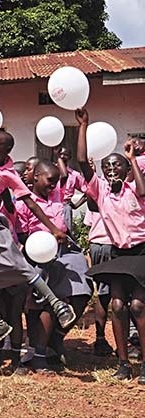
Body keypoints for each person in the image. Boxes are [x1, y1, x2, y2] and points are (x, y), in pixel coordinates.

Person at [0, 71, 74, 351]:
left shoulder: (8, 174)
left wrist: (54, 228)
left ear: (8, 150)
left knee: (17, 266)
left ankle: (56, 304)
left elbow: (31, 202)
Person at [76, 108, 145, 383]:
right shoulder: (101, 190)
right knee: (117, 305)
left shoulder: (134, 188)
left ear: (128, 170)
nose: (112, 170)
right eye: (108, 167)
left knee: (138, 306)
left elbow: (142, 190)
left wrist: (132, 160)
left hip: (141, 252)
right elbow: (82, 161)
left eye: (117, 166)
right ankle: (123, 363)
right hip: (118, 254)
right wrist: (83, 126)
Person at [15, 160, 91, 373]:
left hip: (64, 253)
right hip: (37, 256)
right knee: (44, 303)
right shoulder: (23, 203)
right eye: (50, 180)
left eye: (56, 181)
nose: (53, 185)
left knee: (83, 290)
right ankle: (38, 355)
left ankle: (56, 337)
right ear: (36, 177)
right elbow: (22, 236)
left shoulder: (58, 197)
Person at [84, 206, 114, 356]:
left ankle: (100, 339)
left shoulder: (96, 191)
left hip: (96, 244)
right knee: (120, 294)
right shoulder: (125, 192)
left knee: (103, 293)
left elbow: (89, 221)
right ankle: (129, 342)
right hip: (115, 244)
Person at [55, 147, 87, 231]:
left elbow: (88, 191)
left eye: (65, 154)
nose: (62, 156)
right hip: (51, 205)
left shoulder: (74, 175)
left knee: (66, 233)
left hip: (65, 207)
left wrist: (76, 205)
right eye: (60, 154)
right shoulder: (50, 171)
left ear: (70, 157)